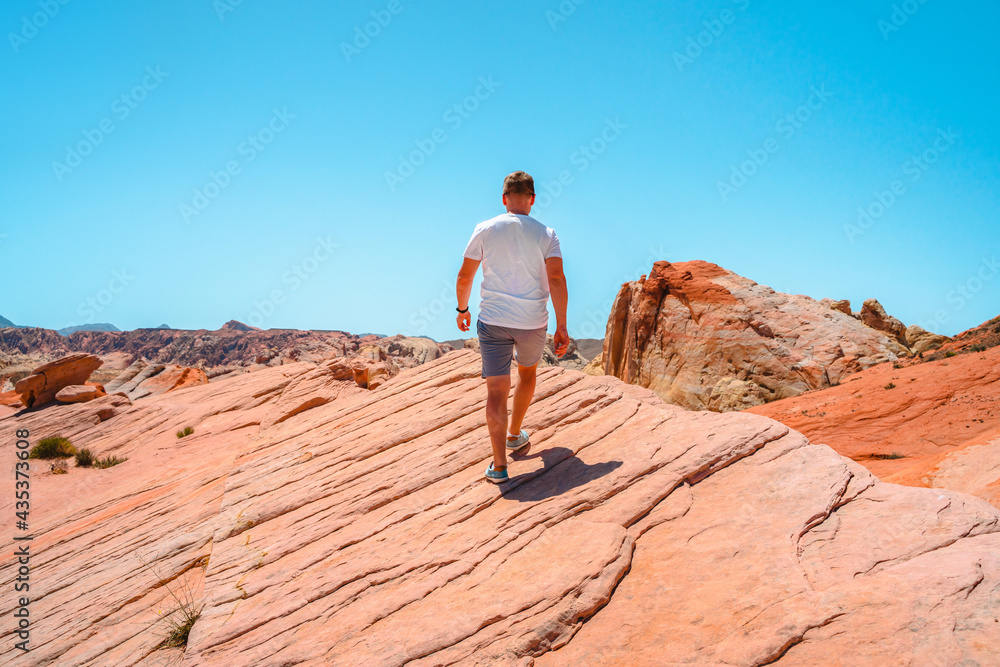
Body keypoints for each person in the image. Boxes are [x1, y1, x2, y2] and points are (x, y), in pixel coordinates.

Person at [455, 171, 569, 484]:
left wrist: (462, 309)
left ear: (504, 199)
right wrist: (562, 326)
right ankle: (515, 434)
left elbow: (465, 277)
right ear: (532, 199)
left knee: (495, 391)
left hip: (493, 321)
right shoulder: (547, 233)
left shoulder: (485, 228)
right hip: (533, 321)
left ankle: (500, 466)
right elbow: (557, 279)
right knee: (527, 374)